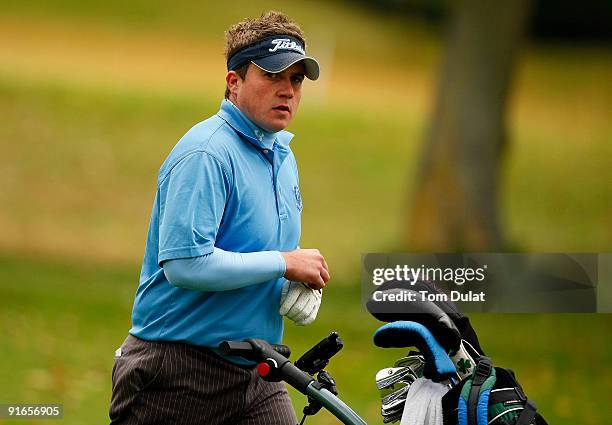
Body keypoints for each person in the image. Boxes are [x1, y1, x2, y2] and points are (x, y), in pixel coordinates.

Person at [109, 11, 329, 425]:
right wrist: (284, 262)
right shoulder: (207, 153)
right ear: (234, 81)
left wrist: (288, 279)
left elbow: (251, 252)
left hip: (259, 369)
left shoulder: (282, 153)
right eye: (273, 76)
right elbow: (184, 264)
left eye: (296, 80)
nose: (287, 91)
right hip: (177, 372)